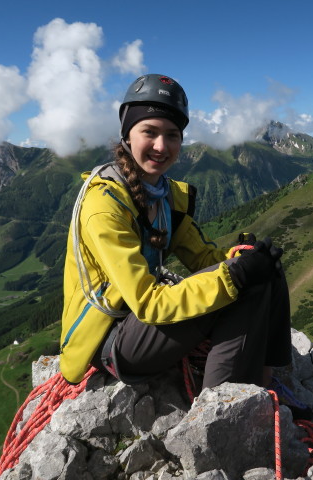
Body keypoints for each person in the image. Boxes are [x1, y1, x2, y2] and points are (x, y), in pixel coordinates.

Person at [59, 73, 292, 390]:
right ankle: (223, 411)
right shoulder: (105, 205)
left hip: (139, 328)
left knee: (265, 270)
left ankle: (267, 384)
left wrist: (240, 257)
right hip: (110, 338)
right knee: (243, 284)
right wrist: (236, 275)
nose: (161, 146)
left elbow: (203, 257)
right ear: (128, 135)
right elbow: (148, 302)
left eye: (172, 135)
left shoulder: (167, 198)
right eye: (149, 132)